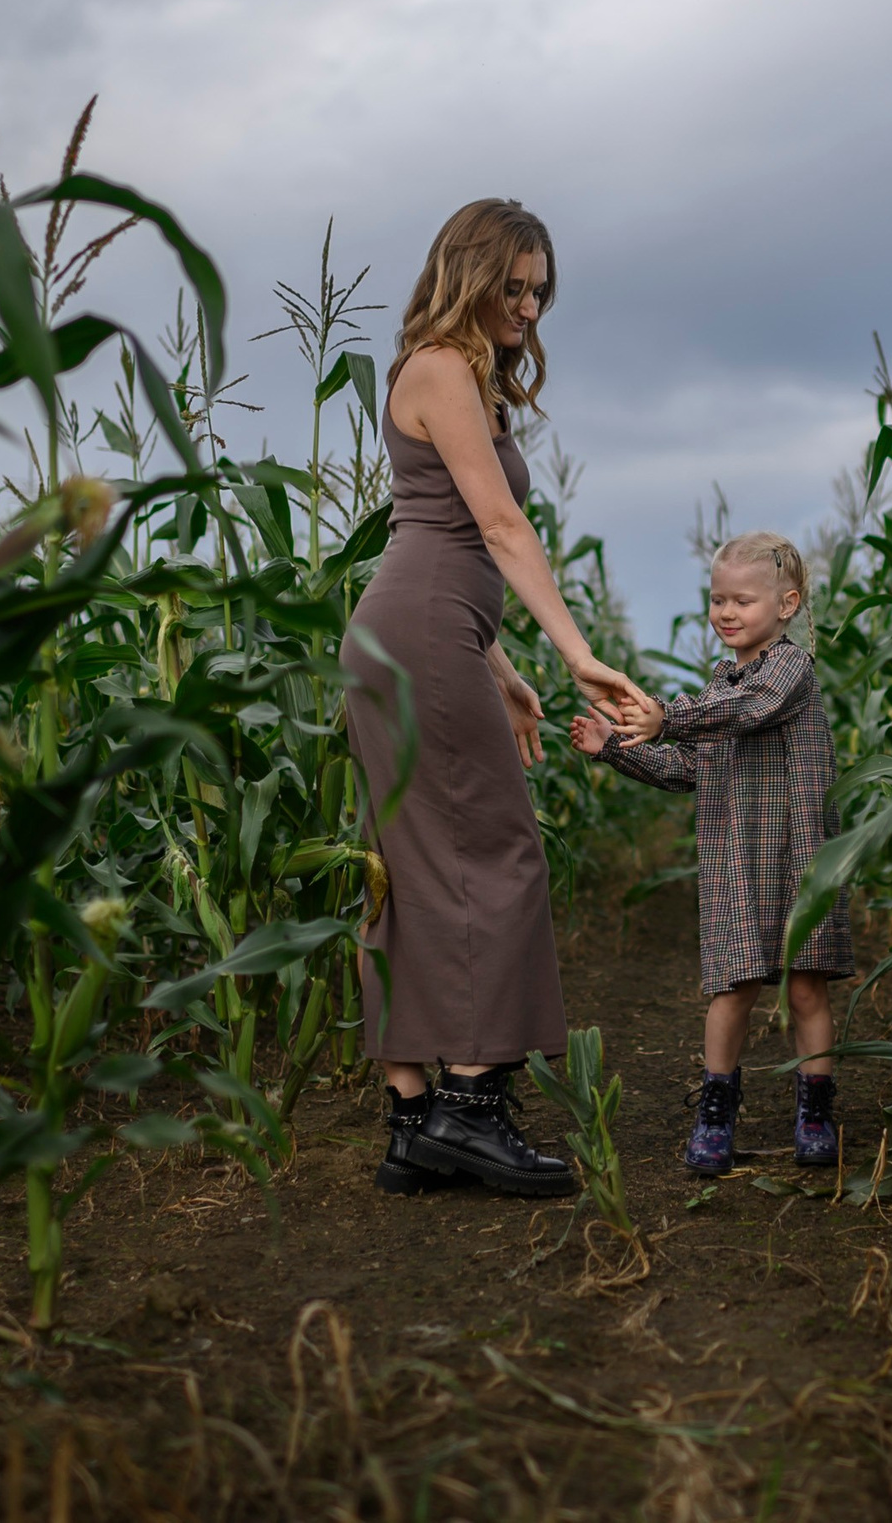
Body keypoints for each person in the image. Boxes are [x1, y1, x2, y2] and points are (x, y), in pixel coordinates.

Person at [341, 199, 649, 1198]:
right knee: (493, 854)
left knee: (414, 864)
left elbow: (446, 544)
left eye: (539, 290)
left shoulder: (458, 377)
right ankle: (469, 1110)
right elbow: (498, 528)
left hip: (426, 635)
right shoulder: (438, 366)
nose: (527, 305)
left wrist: (503, 671)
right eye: (511, 286)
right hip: (422, 632)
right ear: (467, 275)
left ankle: (411, 1120)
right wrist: (574, 655)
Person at [568, 532, 853, 1175]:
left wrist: (666, 715)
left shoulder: (788, 669)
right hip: (736, 860)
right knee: (734, 988)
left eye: (742, 601)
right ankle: (717, 1111)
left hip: (799, 854)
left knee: (806, 988)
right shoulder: (717, 686)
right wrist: (615, 745)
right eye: (716, 599)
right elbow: (685, 767)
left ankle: (815, 1112)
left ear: (786, 605)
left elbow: (751, 709)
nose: (726, 613)